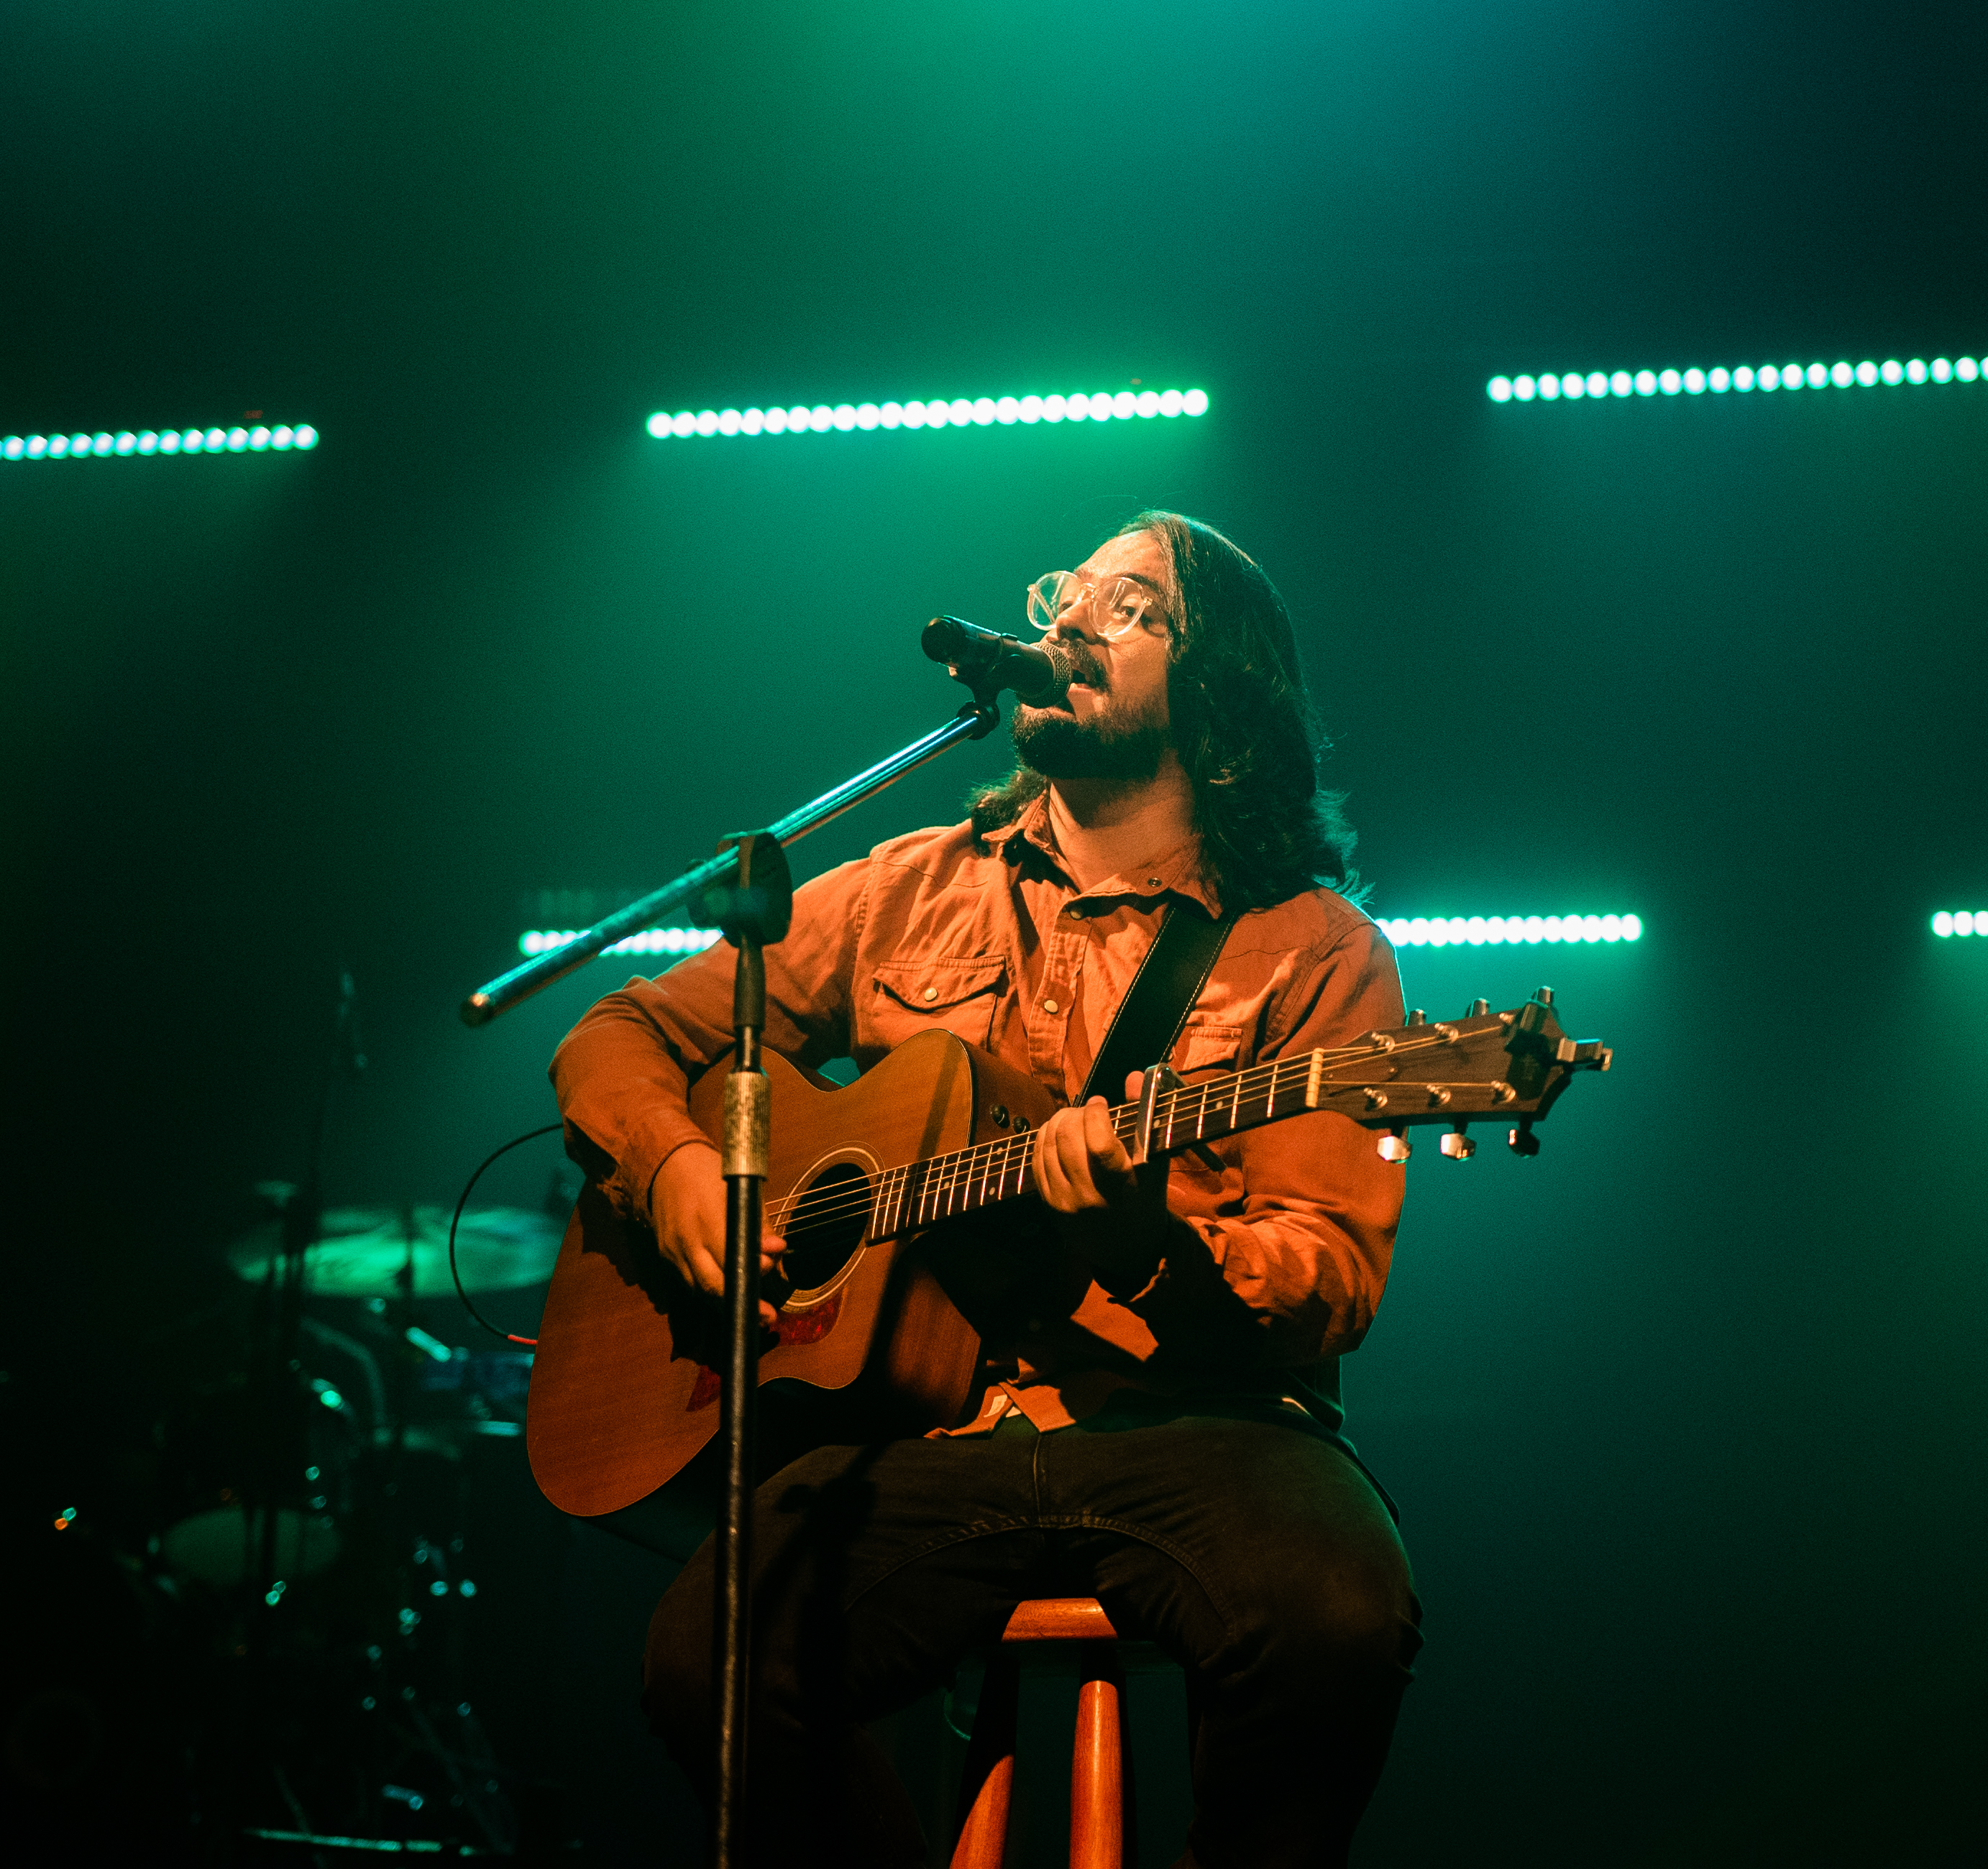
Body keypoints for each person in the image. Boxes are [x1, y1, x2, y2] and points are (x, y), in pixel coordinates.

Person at [550, 512, 1419, 1869]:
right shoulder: (904, 889)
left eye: (1132, 607)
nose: (1073, 617)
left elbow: (1330, 1274)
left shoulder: (1312, 950)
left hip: (1192, 1426)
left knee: (1339, 1614)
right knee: (703, 1663)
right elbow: (617, 1036)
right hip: (924, 1439)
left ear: (1224, 698)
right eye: (1068, 591)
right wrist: (673, 1169)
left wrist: (1144, 1250)